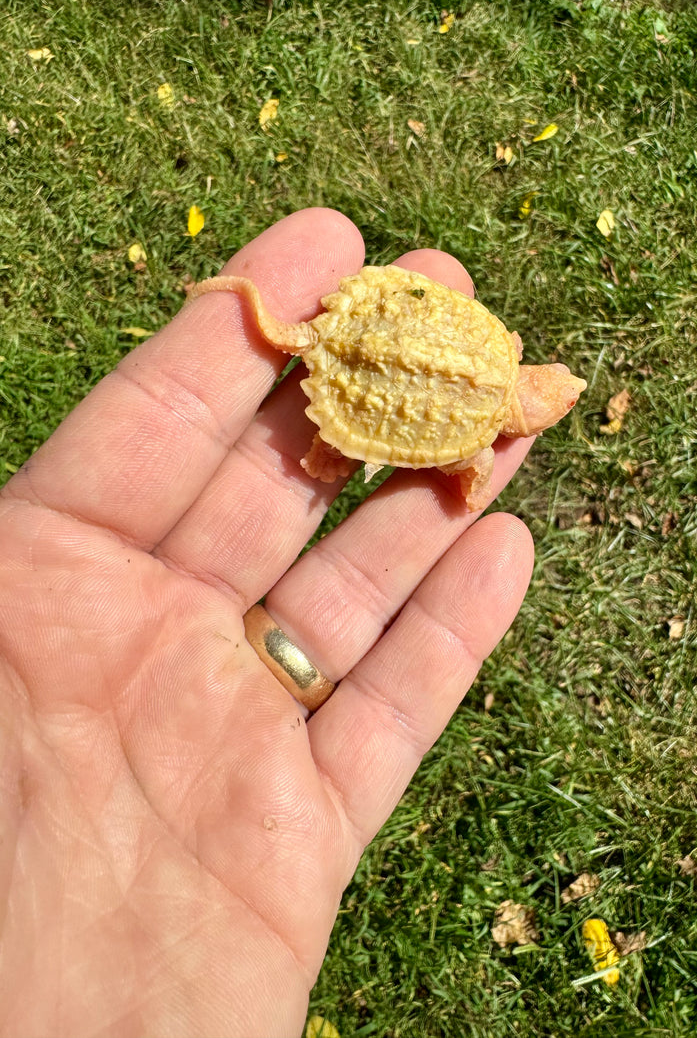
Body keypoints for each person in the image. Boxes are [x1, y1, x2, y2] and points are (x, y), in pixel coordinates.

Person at [0, 208, 535, 1037]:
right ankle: (326, 451)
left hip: (371, 347)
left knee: (332, 429)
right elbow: (466, 467)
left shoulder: (494, 348)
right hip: (365, 373)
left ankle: (325, 445)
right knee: (324, 451)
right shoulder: (478, 421)